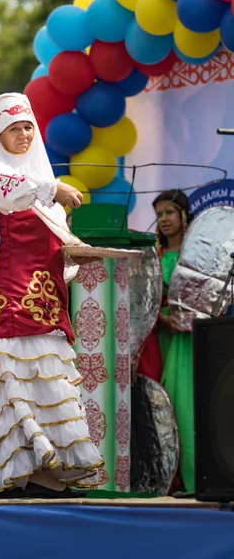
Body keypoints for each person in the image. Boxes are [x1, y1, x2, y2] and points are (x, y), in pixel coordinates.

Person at [0, 93, 104, 499]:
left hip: (46, 297)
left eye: (27, 127)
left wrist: (79, 256)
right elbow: (8, 193)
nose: (23, 134)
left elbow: (57, 243)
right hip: (10, 292)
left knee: (50, 379)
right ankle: (32, 471)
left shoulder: (38, 174)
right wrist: (53, 187)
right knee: (17, 377)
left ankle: (47, 469)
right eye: (13, 128)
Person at [148, 189, 194, 492]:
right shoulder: (153, 254)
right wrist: (163, 319)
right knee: (163, 408)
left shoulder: (197, 255)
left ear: (184, 216)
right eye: (159, 214)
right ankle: (168, 481)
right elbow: (145, 297)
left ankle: (195, 478)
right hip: (159, 339)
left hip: (191, 342)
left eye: (169, 213)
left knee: (188, 407)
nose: (163, 219)